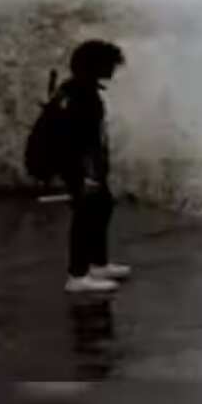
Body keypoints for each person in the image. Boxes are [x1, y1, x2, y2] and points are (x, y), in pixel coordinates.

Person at [60, 39, 130, 294]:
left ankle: (97, 264)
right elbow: (77, 140)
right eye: (110, 64)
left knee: (101, 207)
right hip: (80, 168)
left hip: (87, 167)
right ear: (95, 65)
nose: (113, 69)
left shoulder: (80, 90)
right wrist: (85, 175)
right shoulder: (82, 96)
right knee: (85, 215)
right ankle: (77, 276)